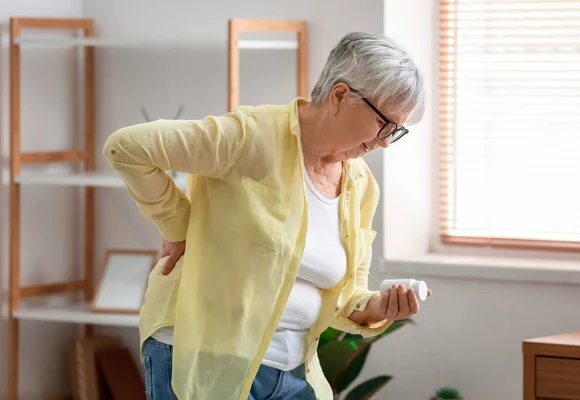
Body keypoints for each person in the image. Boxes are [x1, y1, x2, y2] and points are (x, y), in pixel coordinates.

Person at [103, 31, 429, 400]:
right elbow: (126, 148)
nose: (386, 141)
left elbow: (346, 294)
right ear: (340, 96)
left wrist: (376, 307)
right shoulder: (250, 137)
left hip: (292, 372)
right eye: (385, 123)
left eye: (397, 131)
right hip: (204, 359)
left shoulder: (361, 185)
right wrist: (178, 227)